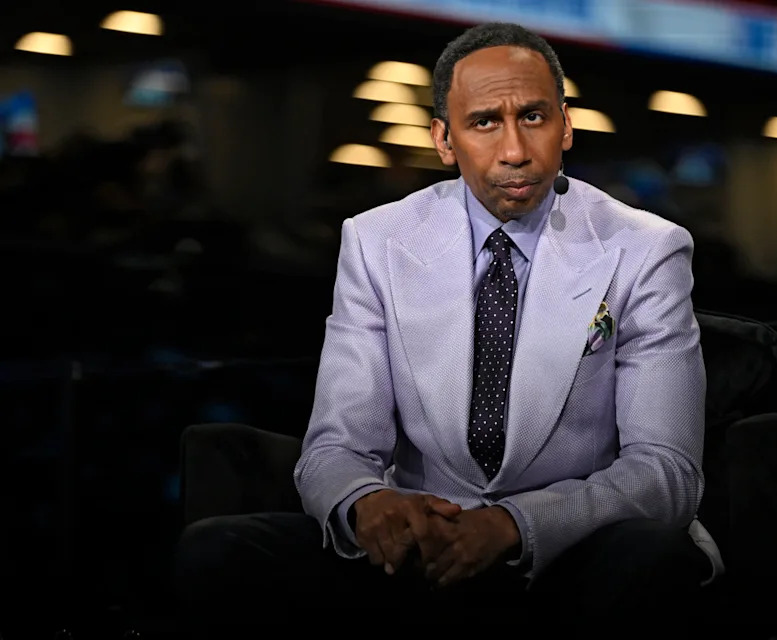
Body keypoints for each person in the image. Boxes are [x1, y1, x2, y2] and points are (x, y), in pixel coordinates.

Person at [175, 21, 723, 636]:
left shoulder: (647, 248)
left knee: (651, 557)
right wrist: (369, 504)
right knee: (219, 551)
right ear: (443, 139)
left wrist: (513, 524)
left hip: (564, 550)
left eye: (534, 117)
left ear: (566, 126)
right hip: (418, 547)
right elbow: (336, 447)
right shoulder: (377, 240)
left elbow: (666, 470)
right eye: (484, 122)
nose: (515, 150)